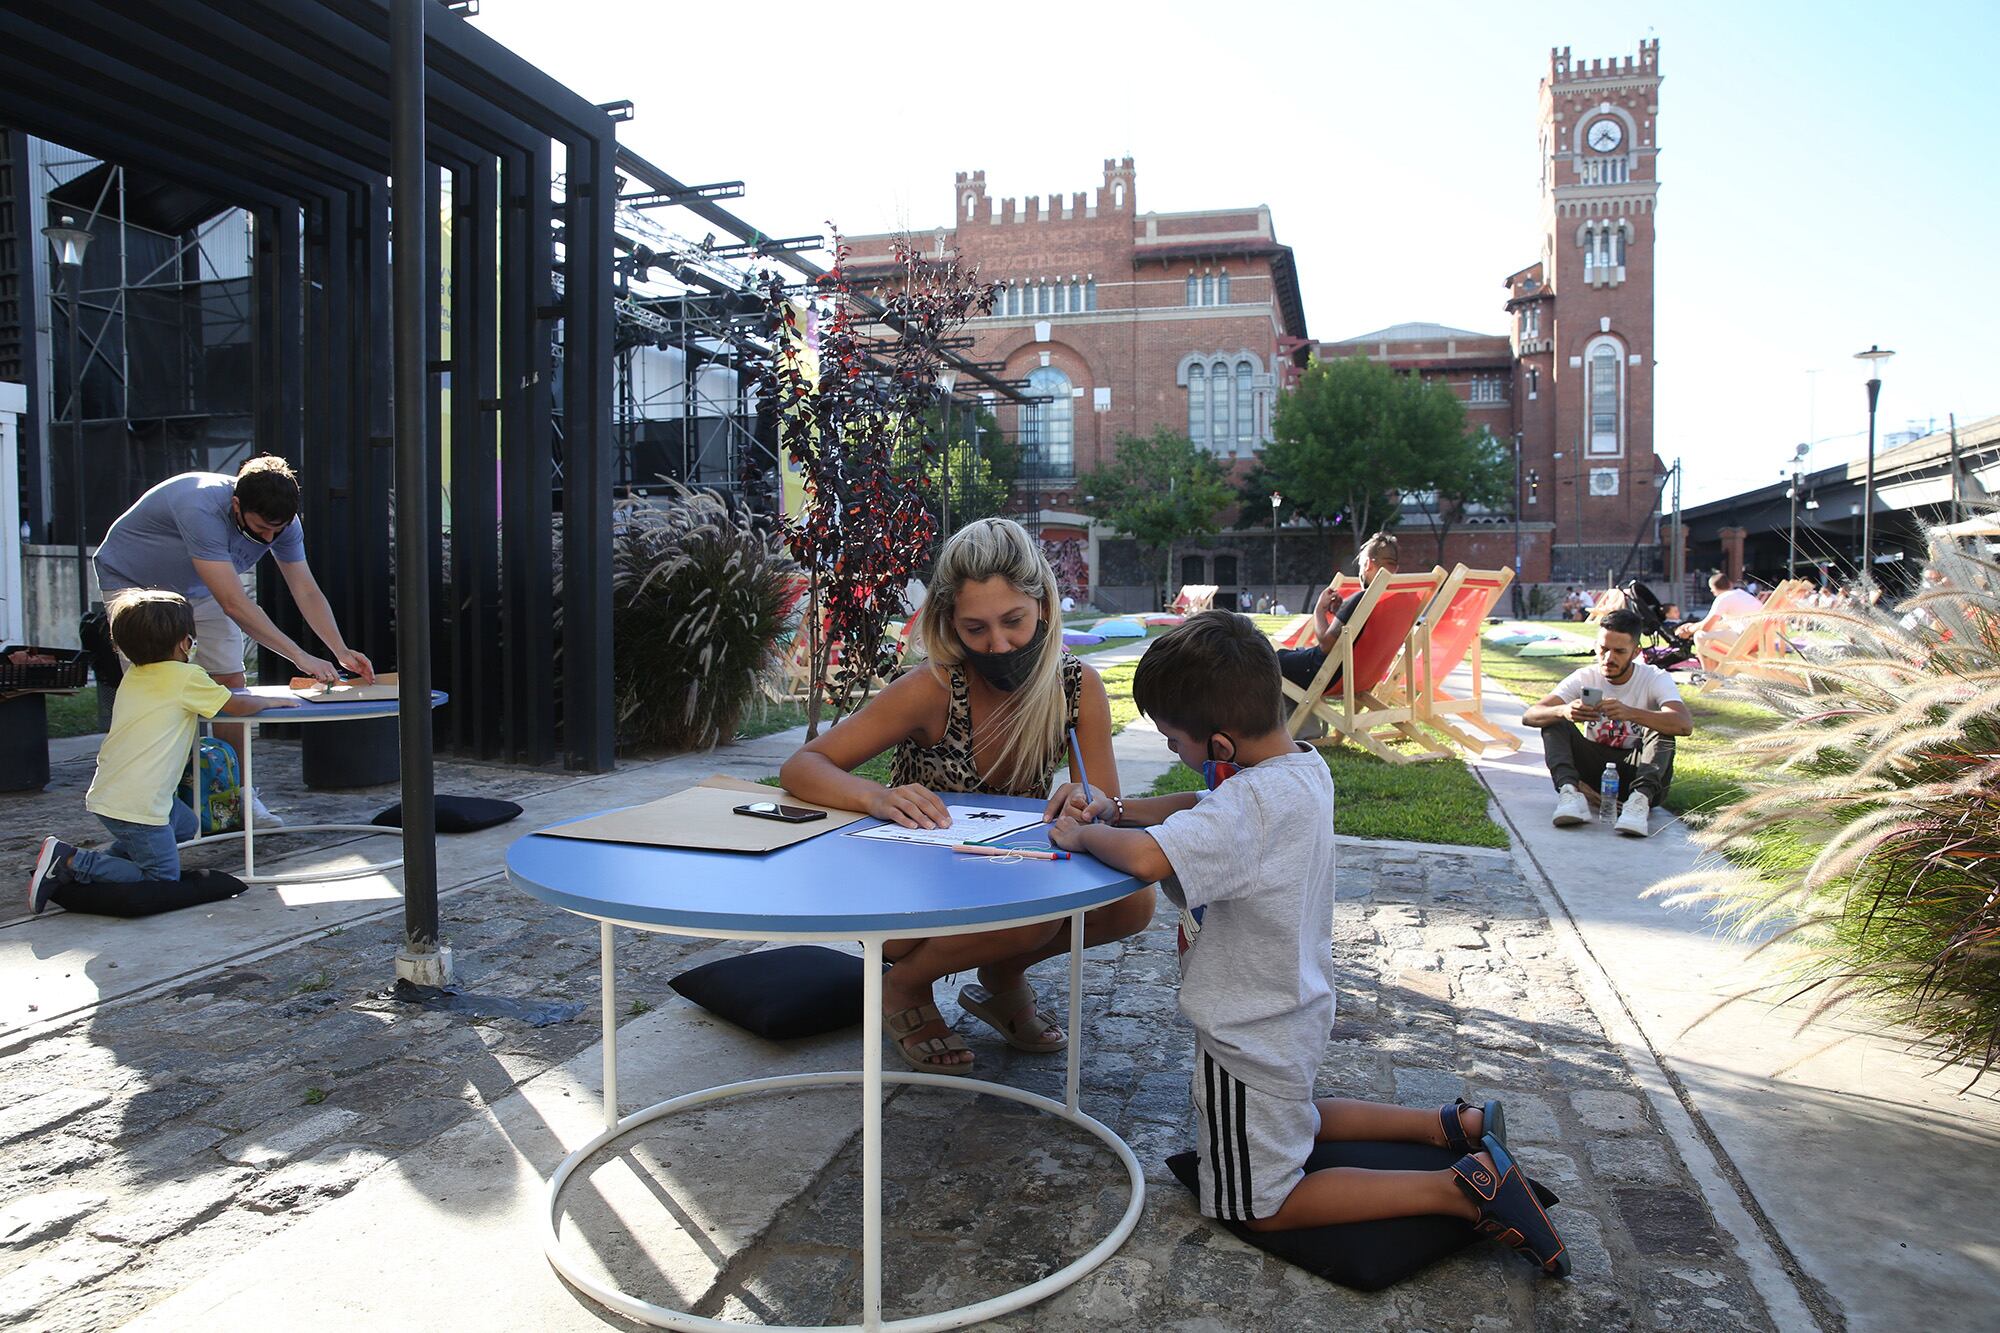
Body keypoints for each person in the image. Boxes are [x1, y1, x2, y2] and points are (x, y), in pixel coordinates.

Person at [1047, 612, 1568, 1273]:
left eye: (1175, 740)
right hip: (1294, 1000)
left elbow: (1149, 861)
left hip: (1247, 1021)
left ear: (1221, 744)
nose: (1175, 752)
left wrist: (1083, 835)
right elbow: (1198, 807)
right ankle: (1450, 1125)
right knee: (1295, 1111)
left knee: (1258, 1202)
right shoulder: (1300, 769)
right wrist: (1117, 810)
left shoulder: (1245, 807)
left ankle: (1461, 1187)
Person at [779, 518, 1152, 1074]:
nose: (998, 645)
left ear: (1043, 606)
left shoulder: (1076, 687)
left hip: (1005, 872)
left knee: (1133, 903)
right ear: (950, 623)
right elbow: (802, 766)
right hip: (918, 883)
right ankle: (903, 984)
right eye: (976, 628)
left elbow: (1107, 809)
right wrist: (876, 797)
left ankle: (1000, 975)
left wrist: (1087, 798)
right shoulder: (933, 686)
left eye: (1013, 622)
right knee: (1033, 914)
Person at [93, 455, 373, 825]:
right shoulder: (200, 506)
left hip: (199, 585)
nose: (268, 539)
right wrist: (300, 657)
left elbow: (305, 590)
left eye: (277, 531)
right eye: (259, 530)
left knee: (229, 684)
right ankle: (157, 806)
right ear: (236, 505)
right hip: (136, 585)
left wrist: (339, 651)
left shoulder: (282, 524)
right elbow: (233, 602)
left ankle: (236, 797)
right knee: (160, 694)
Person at [27, 589, 300, 916]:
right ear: (186, 642)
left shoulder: (134, 675)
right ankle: (72, 861)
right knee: (160, 877)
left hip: (123, 792)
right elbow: (235, 703)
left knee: (184, 826)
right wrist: (270, 701)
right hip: (139, 802)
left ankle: (94, 862)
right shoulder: (186, 677)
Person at [1522, 608, 1693, 837]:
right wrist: (1564, 710)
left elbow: (1684, 724)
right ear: (1596, 645)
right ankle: (1569, 793)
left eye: (1619, 651)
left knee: (1663, 728)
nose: (1609, 658)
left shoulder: (1654, 678)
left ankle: (1638, 804)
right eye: (1603, 649)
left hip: (1640, 772)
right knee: (1554, 721)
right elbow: (1530, 715)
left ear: (1635, 652)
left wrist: (1630, 713)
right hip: (1596, 772)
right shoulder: (1585, 677)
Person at [1275, 532, 1399, 692]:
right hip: (1361, 676)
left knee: (1272, 660)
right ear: (1395, 567)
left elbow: (1326, 644)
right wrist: (1342, 612)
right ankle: (1302, 717)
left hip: (1326, 674)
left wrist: (1319, 610)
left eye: (1361, 566)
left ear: (1367, 564)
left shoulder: (1361, 599)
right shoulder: (1396, 601)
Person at [1673, 572, 1762, 665]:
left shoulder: (1723, 598)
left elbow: (1706, 627)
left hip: (1746, 640)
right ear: (1730, 584)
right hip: (1759, 638)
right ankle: (1718, 671)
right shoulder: (1742, 594)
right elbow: (1720, 624)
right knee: (1713, 635)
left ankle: (1709, 675)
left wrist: (1689, 630)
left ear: (1713, 590)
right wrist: (1691, 627)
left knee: (1699, 636)